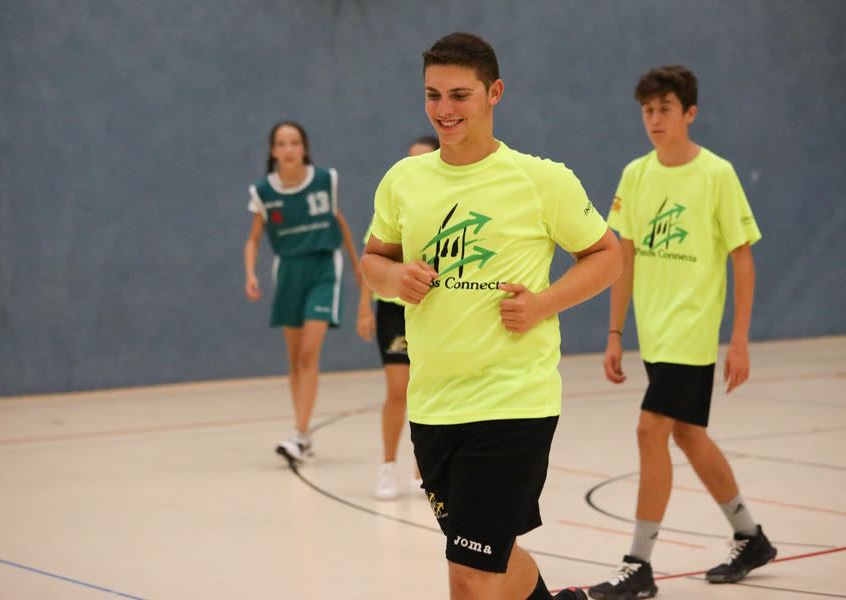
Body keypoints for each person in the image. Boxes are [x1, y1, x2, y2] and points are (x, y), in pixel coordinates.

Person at [362, 32, 621, 600]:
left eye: (459, 95)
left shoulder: (542, 180)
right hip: (433, 406)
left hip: (512, 402)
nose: (444, 110)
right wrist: (394, 278)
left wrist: (544, 303)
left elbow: (607, 254)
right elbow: (373, 260)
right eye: (433, 95)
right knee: (488, 554)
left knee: (471, 572)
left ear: (494, 93)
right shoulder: (404, 180)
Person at [589, 66, 776, 600]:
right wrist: (614, 332)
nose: (654, 119)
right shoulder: (635, 175)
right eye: (647, 110)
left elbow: (742, 259)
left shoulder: (717, 174)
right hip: (654, 333)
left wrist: (738, 339)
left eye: (665, 109)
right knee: (689, 435)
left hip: (691, 331)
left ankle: (638, 564)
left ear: (689, 113)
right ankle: (750, 537)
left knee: (650, 431)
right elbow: (621, 257)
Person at [244, 121, 360, 463]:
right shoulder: (264, 192)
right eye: (282, 143)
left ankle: (298, 432)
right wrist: (250, 273)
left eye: (295, 142)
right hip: (289, 271)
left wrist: (358, 264)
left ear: (304, 148)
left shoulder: (325, 180)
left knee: (309, 353)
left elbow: (340, 221)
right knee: (295, 359)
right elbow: (253, 239)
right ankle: (304, 435)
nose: (289, 149)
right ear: (273, 151)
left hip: (323, 268)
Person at [357, 135, 440, 501]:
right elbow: (371, 258)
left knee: (430, 389)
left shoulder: (449, 204)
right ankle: (388, 466)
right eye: (410, 159)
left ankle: (425, 470)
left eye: (423, 158)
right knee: (397, 389)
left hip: (433, 307)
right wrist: (364, 308)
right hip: (394, 309)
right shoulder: (395, 201)